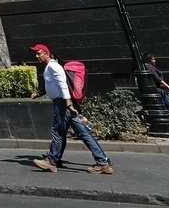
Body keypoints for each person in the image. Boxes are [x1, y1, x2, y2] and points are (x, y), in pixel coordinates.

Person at [30, 44, 113, 174]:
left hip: (62, 103)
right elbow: (53, 85)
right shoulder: (50, 67)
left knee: (58, 131)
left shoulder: (53, 66)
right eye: (35, 54)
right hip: (63, 103)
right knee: (80, 133)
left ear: (47, 53)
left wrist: (68, 103)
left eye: (39, 53)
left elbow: (62, 84)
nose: (37, 56)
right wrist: (39, 93)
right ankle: (102, 161)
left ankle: (51, 161)